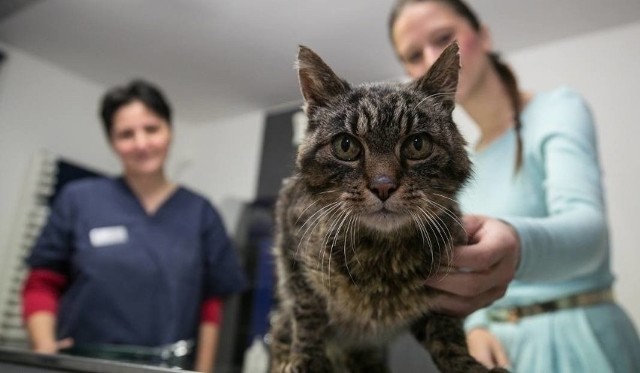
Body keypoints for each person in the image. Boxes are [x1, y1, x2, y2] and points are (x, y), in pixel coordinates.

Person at [388, 0, 640, 372]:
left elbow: (590, 231)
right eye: (412, 54)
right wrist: (474, 327)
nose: (430, 57)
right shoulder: (455, 166)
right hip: (503, 355)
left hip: (581, 341)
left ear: (484, 35)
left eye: (443, 38)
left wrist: (517, 243)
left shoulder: (557, 109)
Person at [21, 79, 248, 372]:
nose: (141, 144)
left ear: (169, 130)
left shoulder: (201, 213)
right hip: (79, 363)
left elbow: (212, 305)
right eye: (126, 134)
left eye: (151, 129)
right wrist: (44, 349)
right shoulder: (78, 199)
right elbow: (41, 282)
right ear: (112, 142)